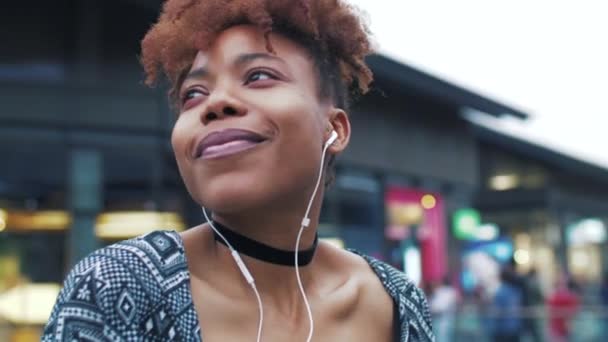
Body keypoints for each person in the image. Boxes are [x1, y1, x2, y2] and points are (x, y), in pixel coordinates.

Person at [41, 1, 434, 341]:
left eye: (259, 76)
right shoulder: (121, 284)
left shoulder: (395, 302)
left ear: (334, 129)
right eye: (193, 94)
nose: (216, 103)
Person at [429, 277, 459, 342]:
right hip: (438, 319)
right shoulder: (442, 291)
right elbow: (434, 306)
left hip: (444, 319)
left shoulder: (448, 292)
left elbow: (438, 307)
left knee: (444, 337)